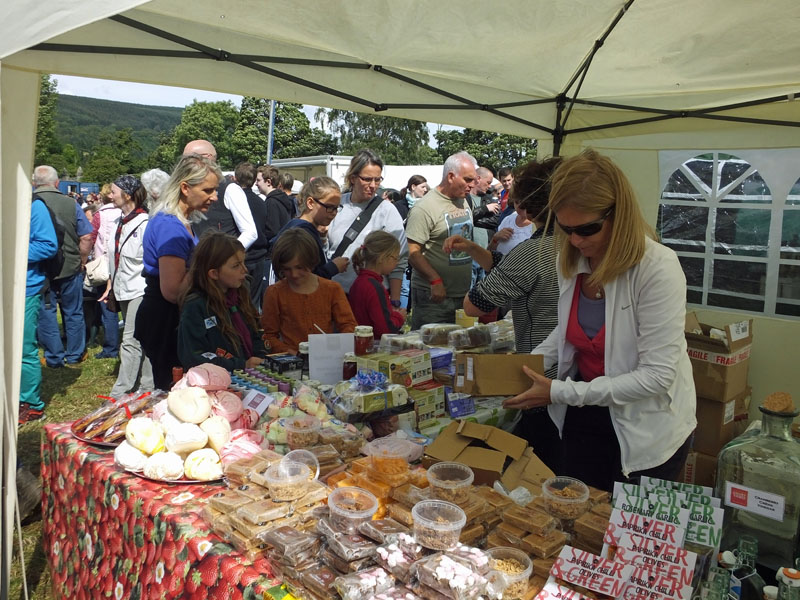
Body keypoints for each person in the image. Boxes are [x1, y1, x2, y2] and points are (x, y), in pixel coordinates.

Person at [506, 149, 697, 492]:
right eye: (566, 229)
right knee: (577, 510)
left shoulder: (658, 268)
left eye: (587, 229)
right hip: (587, 412)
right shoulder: (572, 259)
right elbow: (568, 332)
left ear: (618, 215)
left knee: (625, 521)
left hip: (646, 428)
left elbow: (657, 376)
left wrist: (560, 391)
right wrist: (521, 369)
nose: (575, 240)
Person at [444, 158, 562, 470]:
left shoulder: (534, 251)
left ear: (524, 207)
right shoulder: (575, 244)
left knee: (538, 467)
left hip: (542, 377)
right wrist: (473, 248)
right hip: (572, 375)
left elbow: (474, 305)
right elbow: (509, 269)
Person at [135, 154, 223, 390]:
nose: (215, 197)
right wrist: (205, 260)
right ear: (185, 188)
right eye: (208, 190)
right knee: (175, 392)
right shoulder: (170, 226)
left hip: (169, 318)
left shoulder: (178, 221)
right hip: (166, 320)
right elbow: (173, 291)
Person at [405, 151, 478, 330]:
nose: (472, 185)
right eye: (468, 180)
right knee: (430, 344)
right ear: (451, 177)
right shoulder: (424, 207)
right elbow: (413, 253)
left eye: (474, 180)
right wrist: (435, 280)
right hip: (433, 298)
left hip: (462, 295)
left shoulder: (464, 200)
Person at [326, 150, 408, 305]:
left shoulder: (387, 211)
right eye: (367, 179)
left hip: (371, 300)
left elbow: (399, 259)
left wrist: (396, 302)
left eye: (378, 180)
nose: (373, 185)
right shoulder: (335, 205)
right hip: (334, 297)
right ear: (353, 178)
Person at [177, 232, 268, 370]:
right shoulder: (196, 307)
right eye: (236, 266)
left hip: (251, 376)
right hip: (218, 379)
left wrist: (260, 356)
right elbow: (194, 356)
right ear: (214, 273)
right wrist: (241, 365)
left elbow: (256, 332)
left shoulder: (241, 295)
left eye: (243, 262)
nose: (245, 269)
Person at [261, 228, 357, 354]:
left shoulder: (332, 289)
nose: (294, 274)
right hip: (291, 360)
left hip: (326, 357)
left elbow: (349, 326)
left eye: (300, 267)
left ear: (311, 262)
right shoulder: (274, 293)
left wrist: (336, 346)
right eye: (287, 269)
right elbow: (269, 335)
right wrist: (288, 351)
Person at [34, 165, 93, 367]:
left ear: (34, 183)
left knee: (46, 313)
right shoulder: (71, 203)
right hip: (70, 266)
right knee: (73, 311)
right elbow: (86, 236)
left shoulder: (30, 203)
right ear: (57, 183)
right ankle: (75, 354)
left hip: (41, 267)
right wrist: (82, 261)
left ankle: (53, 356)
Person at [100, 175, 153, 397]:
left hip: (140, 289)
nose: (109, 195)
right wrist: (110, 285)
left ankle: (120, 393)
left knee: (130, 340)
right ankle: (148, 387)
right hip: (122, 288)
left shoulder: (146, 224)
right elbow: (115, 258)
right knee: (141, 339)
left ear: (128, 195)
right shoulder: (118, 222)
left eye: (113, 192)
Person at [20, 194, 58, 423]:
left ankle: (30, 405)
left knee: (23, 348)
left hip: (24, 289)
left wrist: (11, 251)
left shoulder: (33, 205)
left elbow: (47, 245)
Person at [271, 177, 347, 280]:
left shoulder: (301, 227)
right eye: (329, 207)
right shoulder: (301, 234)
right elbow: (303, 279)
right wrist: (333, 267)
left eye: (336, 208)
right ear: (310, 203)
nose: (334, 213)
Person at [348, 231, 407, 338]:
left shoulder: (360, 281)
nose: (397, 262)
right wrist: (399, 317)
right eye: (395, 258)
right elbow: (385, 329)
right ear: (382, 258)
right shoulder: (375, 287)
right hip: (373, 343)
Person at [90, 182, 122, 359]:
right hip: (123, 264)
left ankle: (110, 347)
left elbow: (92, 236)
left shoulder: (99, 215)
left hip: (103, 265)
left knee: (107, 306)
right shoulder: (125, 213)